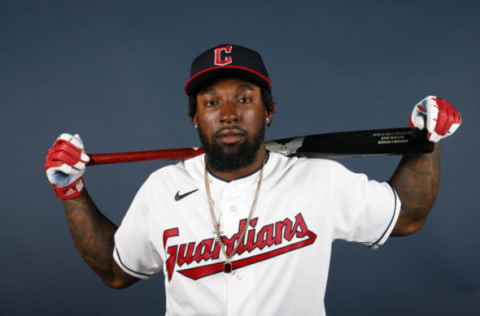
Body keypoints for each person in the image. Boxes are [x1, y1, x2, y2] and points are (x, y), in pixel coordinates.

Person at [45, 44, 461, 316]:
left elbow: (405, 215)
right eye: (211, 102)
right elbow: (117, 272)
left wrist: (426, 139)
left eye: (244, 98)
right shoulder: (161, 188)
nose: (227, 113)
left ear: (269, 112)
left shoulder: (317, 179)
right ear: (195, 117)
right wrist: (71, 191)